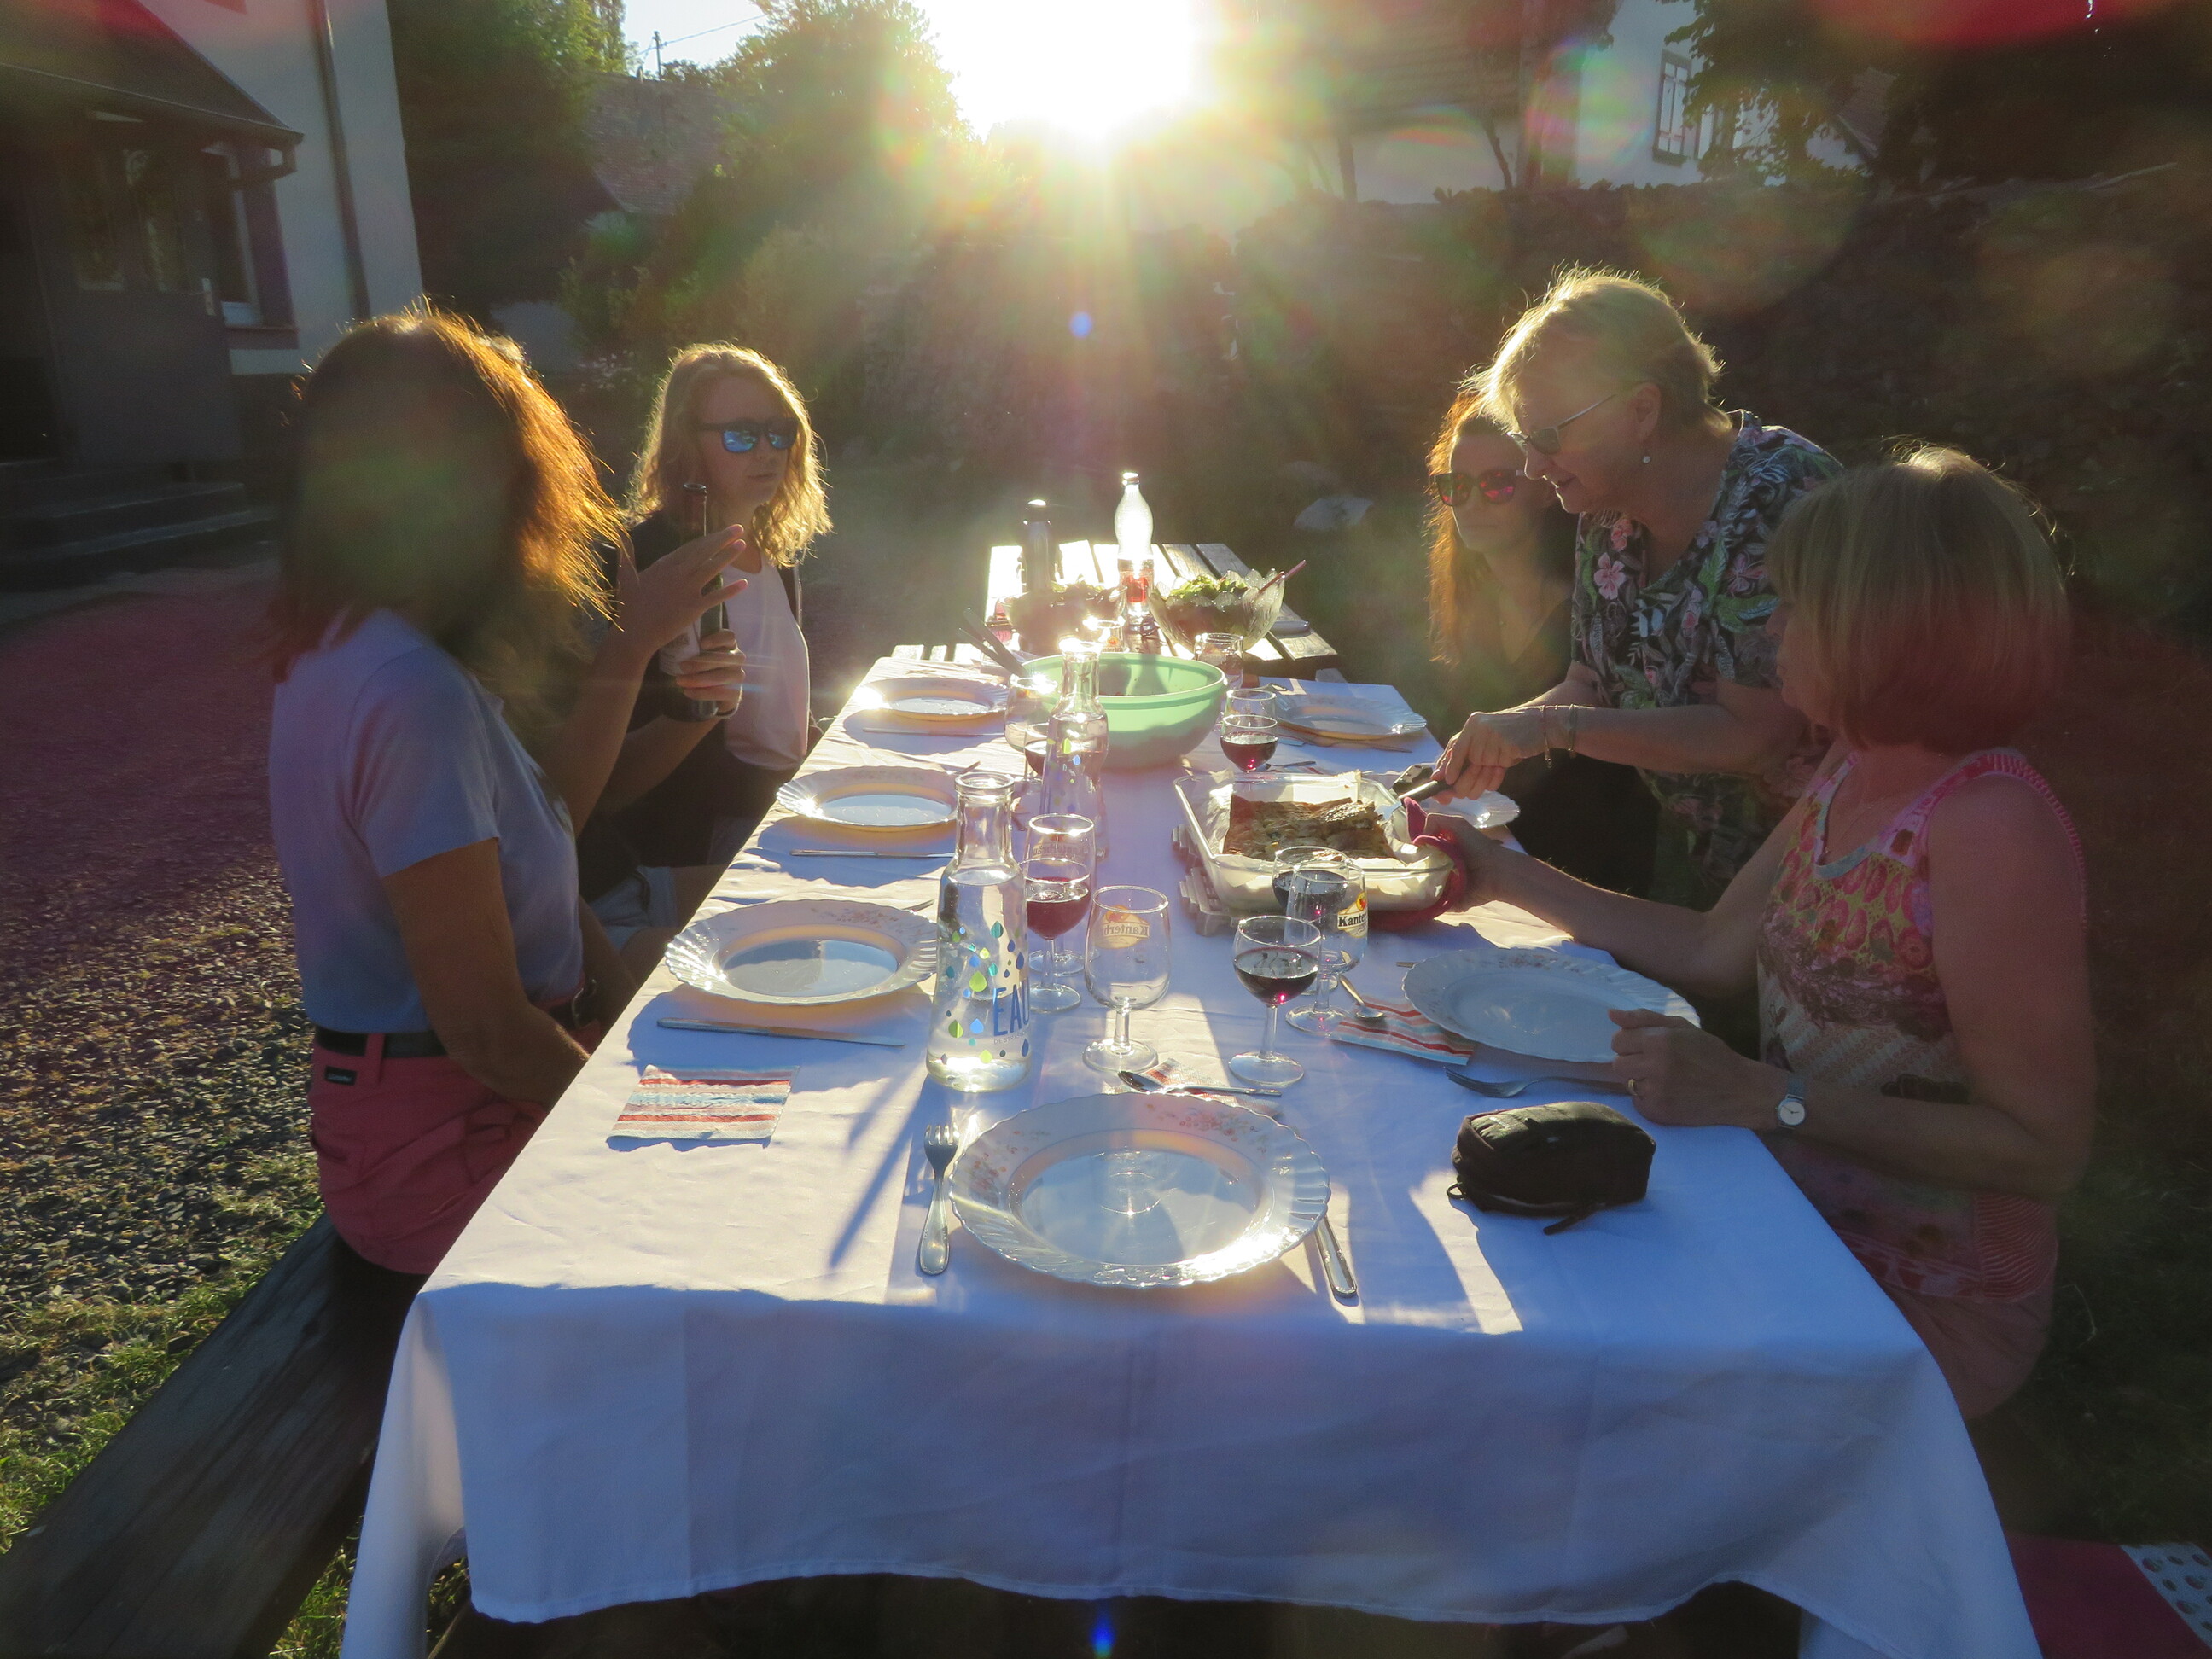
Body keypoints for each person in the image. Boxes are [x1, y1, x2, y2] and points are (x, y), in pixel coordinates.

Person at [1434, 448, 2093, 1419]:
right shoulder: (1853, 766)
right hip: (1787, 1211)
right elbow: (1712, 949)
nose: (1769, 630)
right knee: (1511, 1289)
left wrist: (1764, 1096)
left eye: (1793, 605)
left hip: (1915, 1296)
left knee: (1561, 1378)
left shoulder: (1989, 826)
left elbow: (2042, 1148)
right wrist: (1501, 874)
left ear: (1882, 626)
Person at [265, 310, 744, 1273]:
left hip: (443, 1118)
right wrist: (637, 1116)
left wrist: (630, 1047)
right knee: (759, 1188)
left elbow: (540, 835)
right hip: (447, 1153)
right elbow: (486, 1031)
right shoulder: (412, 693)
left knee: (756, 1096)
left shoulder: (361, 647)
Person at [1435, 270, 1842, 911]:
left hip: (1828, 877)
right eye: (1524, 440)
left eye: (1547, 437)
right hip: (1711, 872)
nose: (1533, 467)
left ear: (1642, 410)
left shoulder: (1779, 498)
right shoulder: (1606, 501)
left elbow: (1755, 736)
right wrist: (1507, 729)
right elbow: (1590, 679)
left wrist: (1552, 727)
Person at [1426, 390, 1656, 894]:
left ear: (1544, 487)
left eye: (1497, 484)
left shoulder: (1592, 606)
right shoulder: (1475, 602)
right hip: (1480, 848)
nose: (1472, 502)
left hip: (1579, 872)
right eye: (1456, 485)